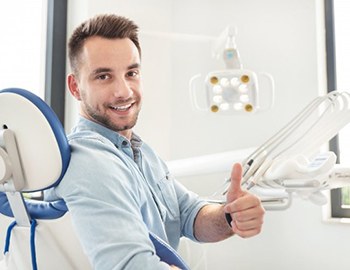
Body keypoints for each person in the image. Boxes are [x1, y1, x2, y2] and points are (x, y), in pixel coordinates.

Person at [51, 14, 265, 269]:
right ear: (75, 87)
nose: (124, 91)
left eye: (131, 73)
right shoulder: (89, 162)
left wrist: (229, 216)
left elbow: (189, 214)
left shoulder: (141, 153)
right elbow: (129, 265)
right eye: (104, 77)